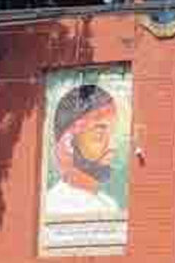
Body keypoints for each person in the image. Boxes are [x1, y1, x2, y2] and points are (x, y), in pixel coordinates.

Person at [45, 84, 122, 215]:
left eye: (113, 133)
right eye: (99, 135)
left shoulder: (110, 205)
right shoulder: (54, 206)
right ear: (67, 142)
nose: (112, 146)